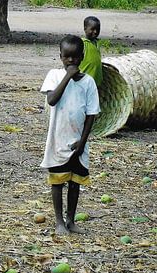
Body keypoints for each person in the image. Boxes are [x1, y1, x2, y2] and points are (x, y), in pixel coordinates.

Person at [40, 34, 100, 235]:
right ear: (60, 56)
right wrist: (67, 76)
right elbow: (52, 100)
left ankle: (71, 220)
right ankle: (58, 222)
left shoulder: (89, 83)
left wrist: (82, 143)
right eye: (67, 57)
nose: (71, 61)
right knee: (57, 181)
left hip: (78, 141)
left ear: (82, 57)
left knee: (75, 182)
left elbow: (91, 114)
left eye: (75, 57)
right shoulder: (54, 76)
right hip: (58, 138)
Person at [79, 16, 103, 87]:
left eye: (97, 29)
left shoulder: (97, 43)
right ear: (85, 29)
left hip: (96, 82)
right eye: (92, 29)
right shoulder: (82, 43)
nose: (95, 32)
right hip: (84, 82)